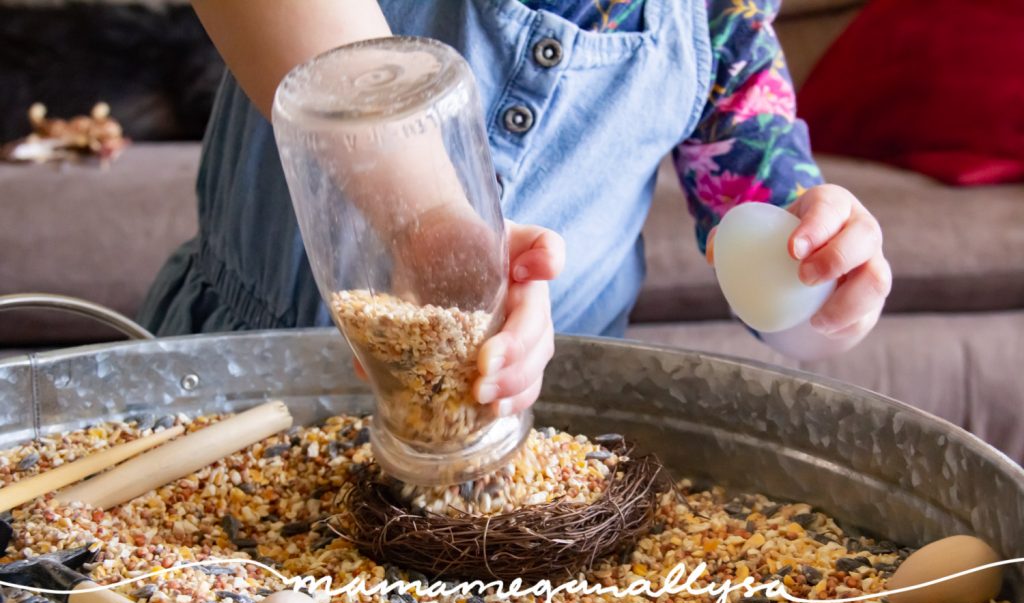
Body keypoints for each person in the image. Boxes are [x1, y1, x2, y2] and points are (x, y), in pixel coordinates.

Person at [139, 0, 891, 419]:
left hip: (533, 440)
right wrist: (430, 224)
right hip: (242, 389)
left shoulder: (724, 20)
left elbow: (770, 257)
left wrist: (829, 284)